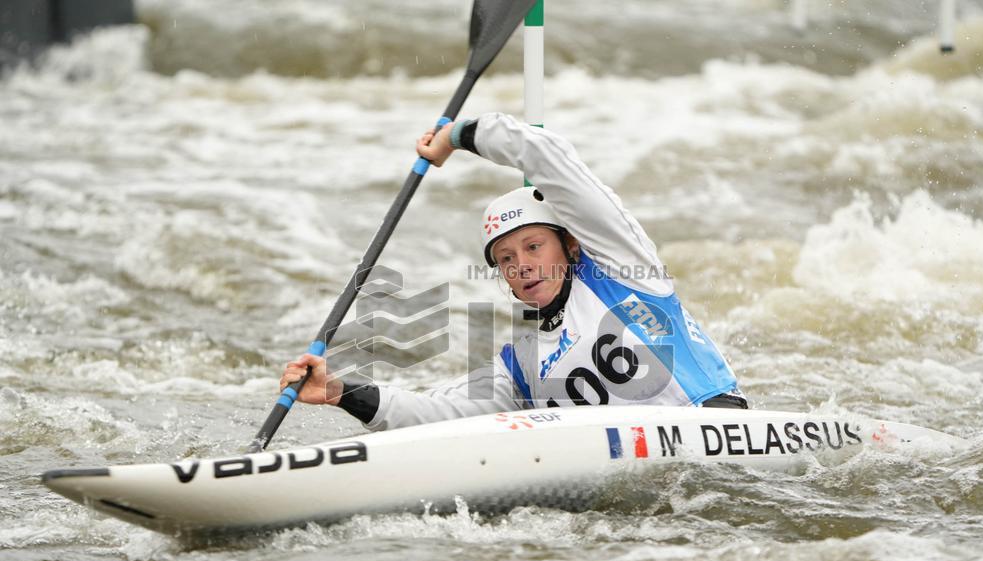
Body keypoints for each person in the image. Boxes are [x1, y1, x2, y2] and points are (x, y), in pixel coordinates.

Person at [280, 113, 746, 430]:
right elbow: (439, 413)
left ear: (570, 244)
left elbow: (546, 156)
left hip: (716, 426)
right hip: (641, 474)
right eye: (505, 258)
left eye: (533, 246)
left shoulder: (627, 270)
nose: (521, 264)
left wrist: (457, 136)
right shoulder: (521, 365)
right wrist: (340, 391)